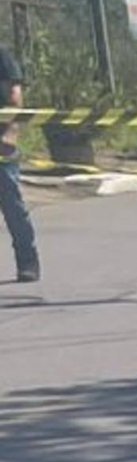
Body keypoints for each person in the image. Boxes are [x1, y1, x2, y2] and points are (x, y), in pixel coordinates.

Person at [0, 36, 36, 282]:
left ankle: (28, 262)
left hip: (1, 143)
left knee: (12, 206)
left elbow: (15, 96)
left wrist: (11, 133)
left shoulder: (2, 55)